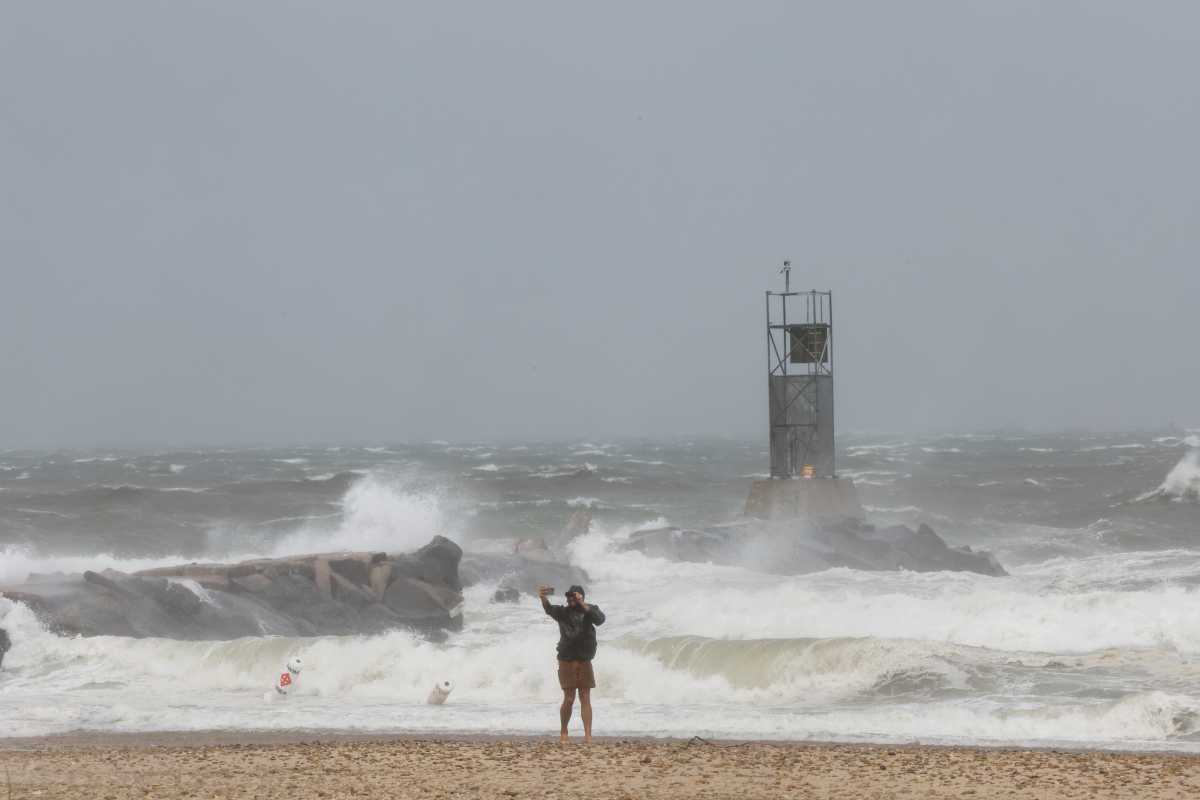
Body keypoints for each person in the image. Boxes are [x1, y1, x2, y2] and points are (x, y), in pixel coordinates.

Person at [538, 583, 605, 742]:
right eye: (569, 596)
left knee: (585, 696)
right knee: (569, 698)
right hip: (566, 659)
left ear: (581, 597)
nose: (570, 599)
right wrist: (542, 597)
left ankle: (588, 735)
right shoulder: (563, 612)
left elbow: (600, 620)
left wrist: (582, 604)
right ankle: (564, 732)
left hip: (584, 659)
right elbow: (548, 609)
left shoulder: (590, 610)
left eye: (574, 596)